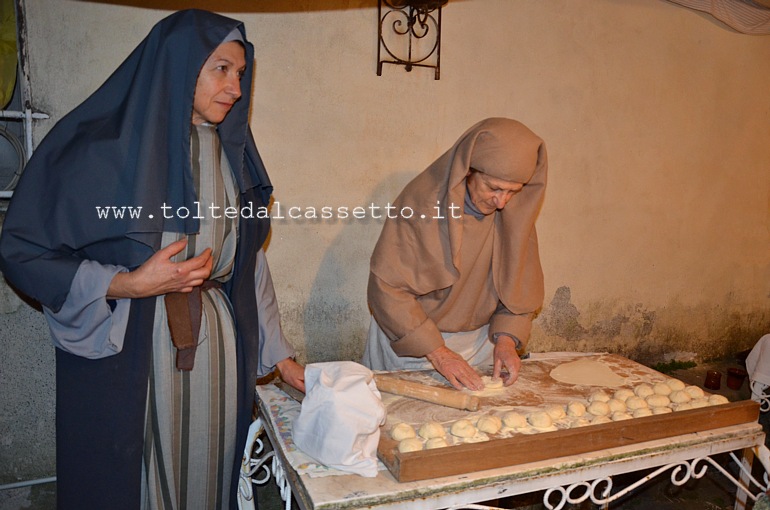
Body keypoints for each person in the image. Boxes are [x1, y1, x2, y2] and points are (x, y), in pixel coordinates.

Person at [0, 9, 303, 510]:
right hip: (134, 350)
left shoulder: (235, 155)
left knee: (208, 474)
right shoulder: (101, 148)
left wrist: (280, 357)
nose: (234, 87)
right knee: (134, 483)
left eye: (241, 73)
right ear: (180, 65)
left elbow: (247, 263)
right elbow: (23, 251)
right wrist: (128, 284)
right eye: (221, 69)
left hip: (218, 354)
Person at [362, 118, 547, 391]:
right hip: (413, 344)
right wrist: (439, 353)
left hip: (481, 343)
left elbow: (517, 286)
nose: (502, 202)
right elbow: (388, 289)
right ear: (467, 171)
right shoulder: (421, 204)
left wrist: (507, 340)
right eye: (494, 188)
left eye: (513, 191)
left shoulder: (514, 212)